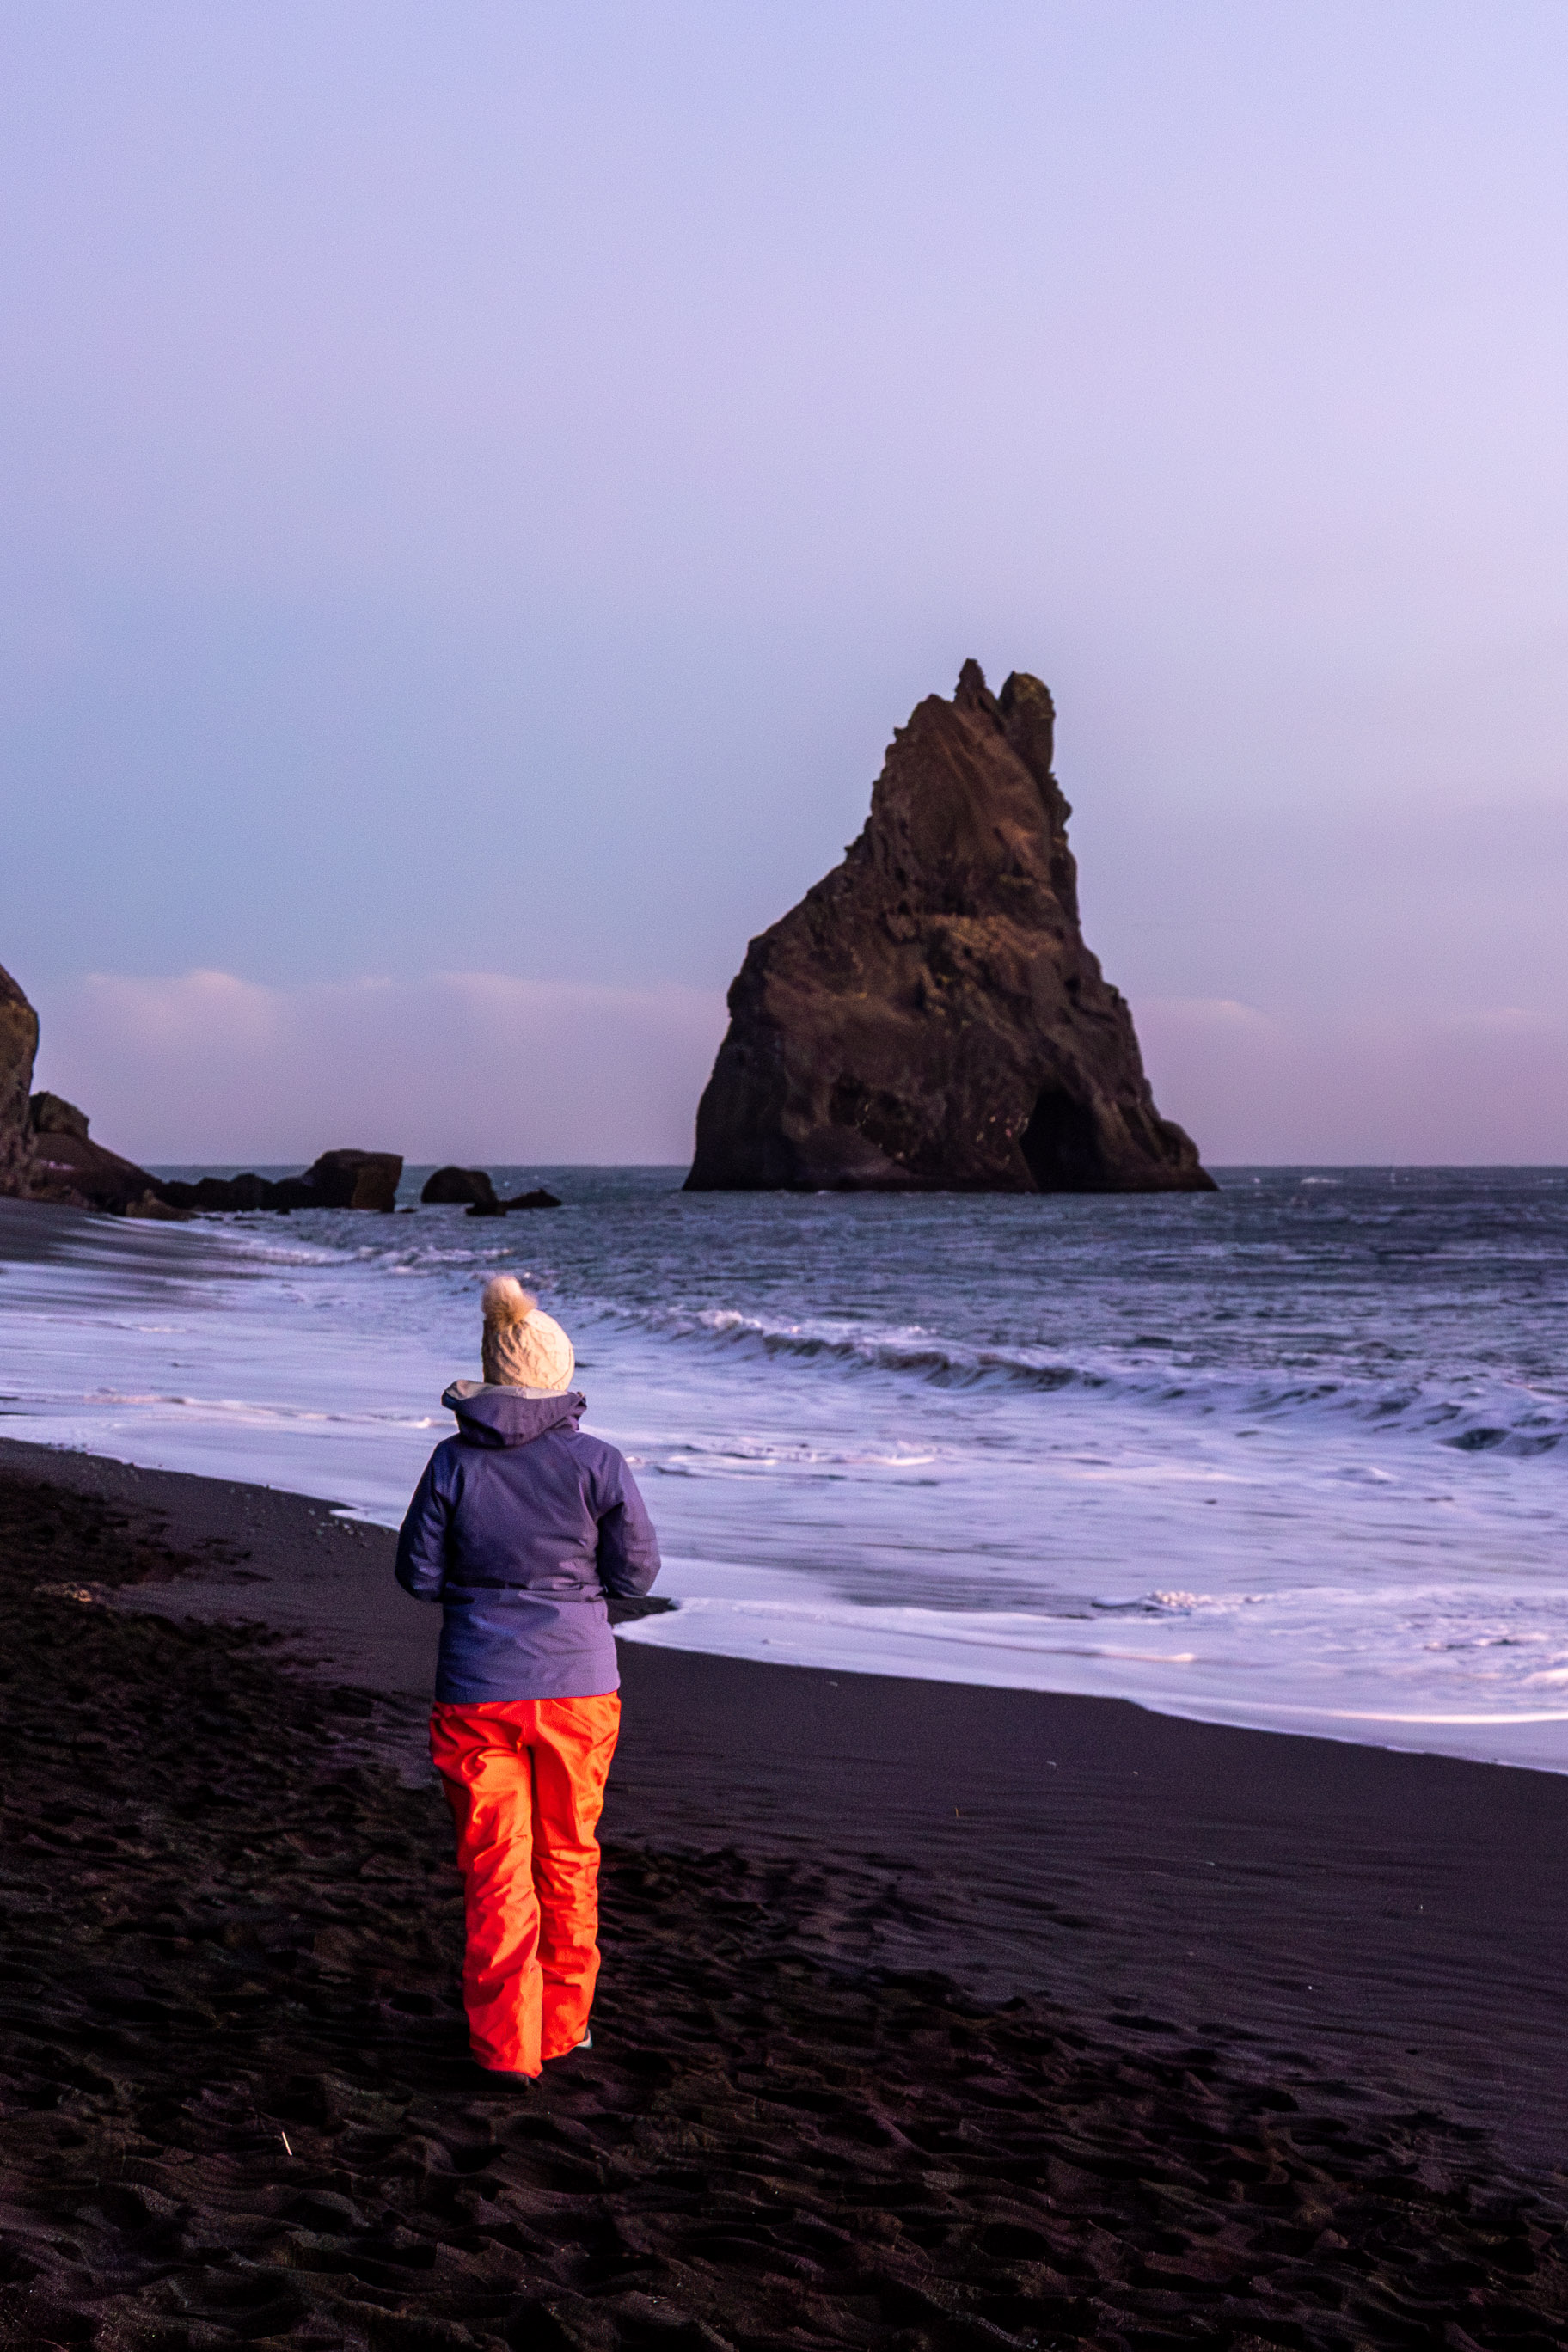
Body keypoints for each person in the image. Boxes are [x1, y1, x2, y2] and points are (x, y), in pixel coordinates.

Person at [395, 1274, 660, 2082]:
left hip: (478, 1686)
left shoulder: (451, 1463)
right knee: (567, 1856)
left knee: (494, 1865)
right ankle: (563, 2026)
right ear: (560, 1375)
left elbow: (416, 1573)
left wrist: (483, 1590)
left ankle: (506, 2045)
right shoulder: (597, 1462)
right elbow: (638, 1574)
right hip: (579, 1687)